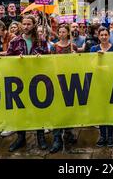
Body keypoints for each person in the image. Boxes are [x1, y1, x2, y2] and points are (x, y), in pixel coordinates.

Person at [5, 15, 51, 152]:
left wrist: (41, 59)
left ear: (34, 25)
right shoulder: (14, 41)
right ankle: (21, 137)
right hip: (20, 80)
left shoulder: (41, 41)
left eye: (28, 24)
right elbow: (7, 60)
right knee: (20, 109)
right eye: (24, 24)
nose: (26, 26)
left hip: (37, 80)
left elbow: (48, 59)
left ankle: (40, 137)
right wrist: (15, 60)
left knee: (39, 109)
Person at [49, 24, 78, 153]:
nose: (61, 34)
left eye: (63, 32)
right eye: (59, 32)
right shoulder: (54, 47)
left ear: (67, 33)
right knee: (57, 109)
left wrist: (75, 56)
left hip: (70, 80)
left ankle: (68, 132)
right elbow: (49, 63)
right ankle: (56, 138)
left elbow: (79, 64)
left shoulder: (73, 46)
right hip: (57, 81)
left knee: (69, 107)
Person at [90, 26, 113, 147]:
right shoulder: (93, 49)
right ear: (98, 37)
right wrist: (98, 59)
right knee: (101, 109)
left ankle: (110, 136)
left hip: (111, 83)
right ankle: (102, 135)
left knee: (110, 110)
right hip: (98, 83)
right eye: (101, 35)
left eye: (105, 35)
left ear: (109, 36)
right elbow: (90, 65)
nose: (103, 37)